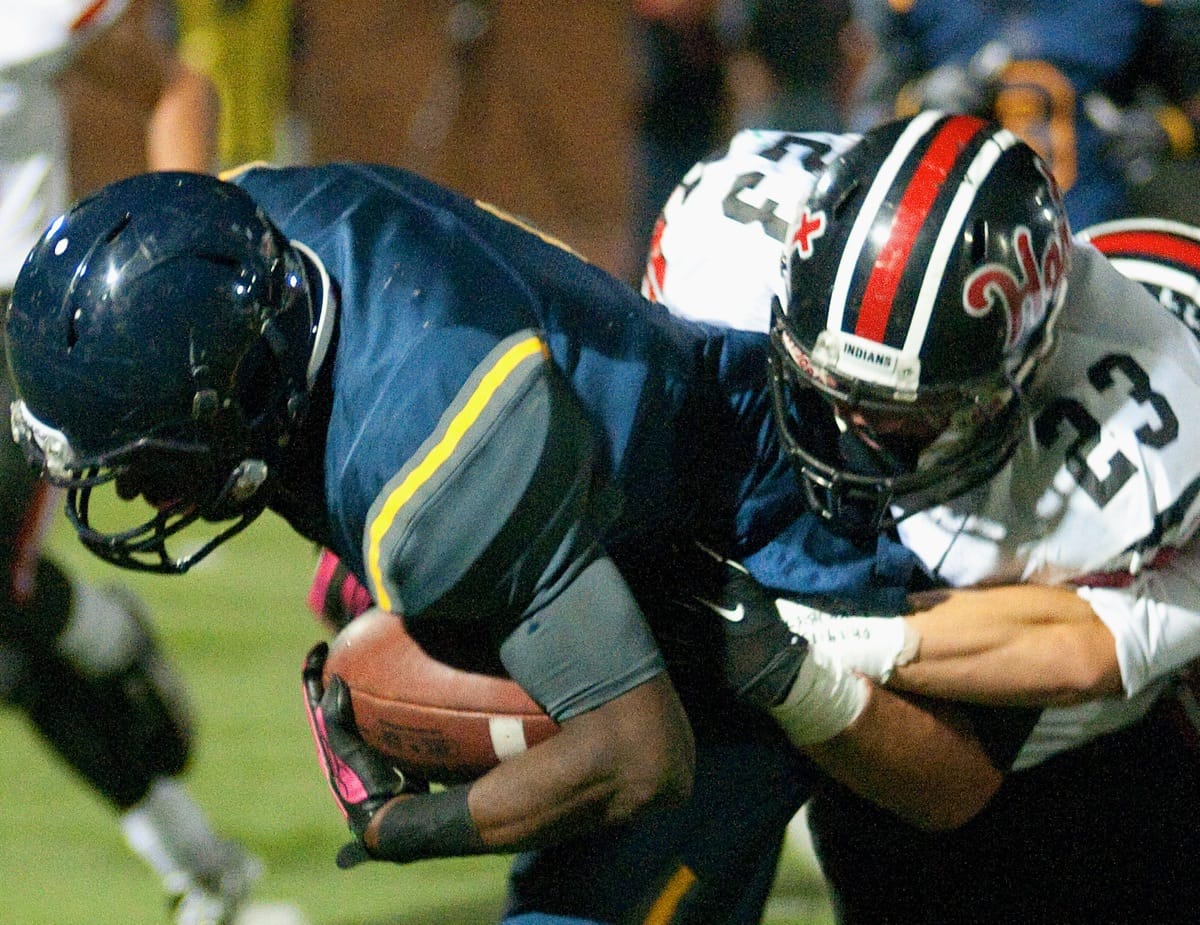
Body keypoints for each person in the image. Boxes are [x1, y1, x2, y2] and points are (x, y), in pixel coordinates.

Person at [1, 157, 1022, 922]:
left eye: (143, 458)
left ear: (243, 392)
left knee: (949, 807)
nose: (132, 486)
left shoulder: (433, 480)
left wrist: (410, 830)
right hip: (609, 463)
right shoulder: (258, 215)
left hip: (749, 560)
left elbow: (636, 753)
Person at [644, 113, 1200, 921]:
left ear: (1031, 365)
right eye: (829, 389)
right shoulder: (726, 250)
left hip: (1113, 731)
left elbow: (1105, 640)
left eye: (907, 413)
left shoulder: (1156, 440)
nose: (853, 429)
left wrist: (820, 641)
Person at [0, 3, 299, 923]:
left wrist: (190, 271)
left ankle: (89, 627)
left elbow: (171, 85)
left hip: (12, 324)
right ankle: (200, 867)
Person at [848, 0, 1200, 228]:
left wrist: (1168, 129)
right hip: (954, 236)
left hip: (1097, 236)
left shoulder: (1133, 10)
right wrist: (919, 102)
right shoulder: (907, 9)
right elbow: (862, 128)